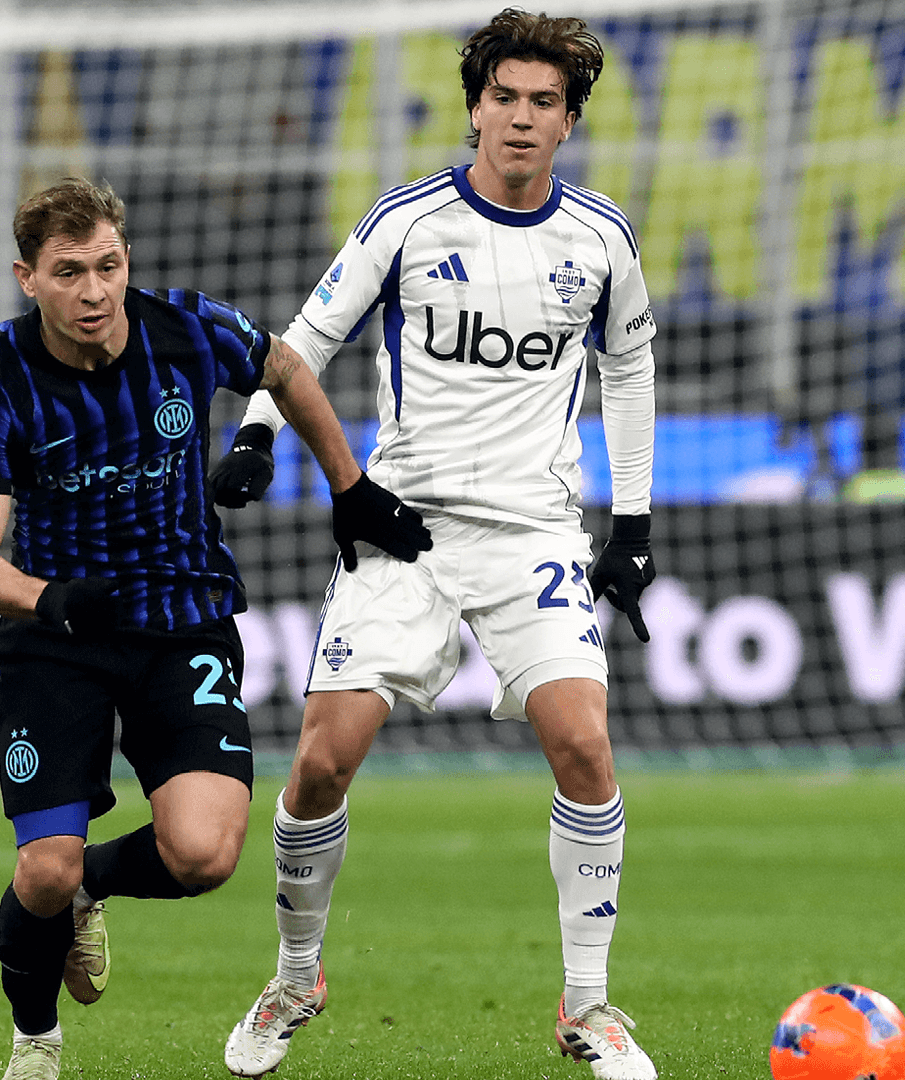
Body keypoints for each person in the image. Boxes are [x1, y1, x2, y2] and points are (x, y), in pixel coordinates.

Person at [212, 10, 661, 1079]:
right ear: (474, 106)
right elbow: (307, 338)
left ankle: (590, 1008)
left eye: (541, 102)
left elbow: (629, 371)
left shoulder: (600, 240)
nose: (518, 117)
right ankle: (294, 976)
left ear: (569, 121)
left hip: (534, 531)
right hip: (403, 526)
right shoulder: (406, 223)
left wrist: (632, 520)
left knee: (585, 745)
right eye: (502, 96)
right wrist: (257, 437)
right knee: (323, 760)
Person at [0, 177, 429, 1080]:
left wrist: (348, 485)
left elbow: (284, 366)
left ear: (127, 258)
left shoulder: (184, 329)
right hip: (60, 639)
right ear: (27, 278)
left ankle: (96, 882)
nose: (94, 291)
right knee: (40, 870)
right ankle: (36, 1041)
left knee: (204, 855)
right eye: (69, 272)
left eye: (108, 266)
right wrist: (46, 598)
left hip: (184, 621)